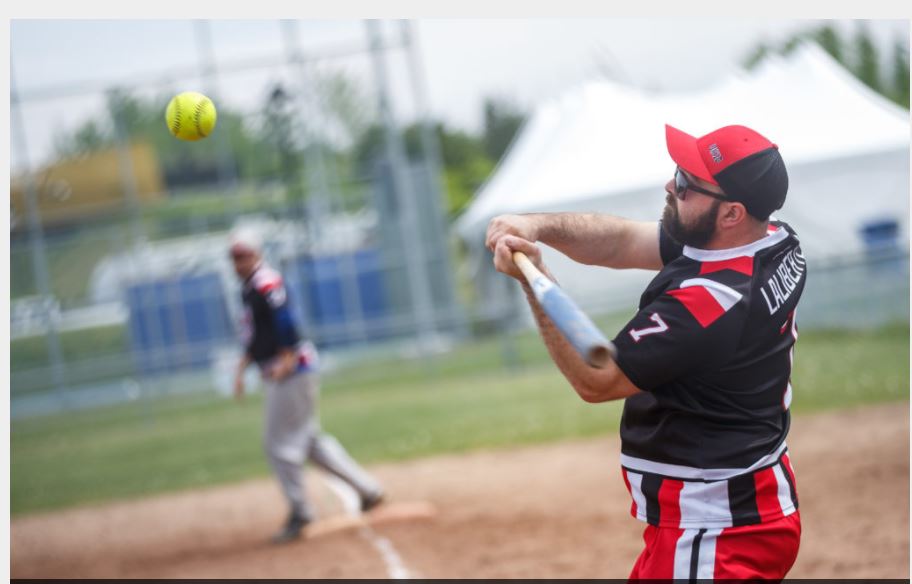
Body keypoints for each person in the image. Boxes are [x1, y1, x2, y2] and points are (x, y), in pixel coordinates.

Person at [486, 124, 804, 580]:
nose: (671, 185)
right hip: (733, 510)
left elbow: (596, 379)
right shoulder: (771, 238)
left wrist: (532, 280)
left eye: (687, 184)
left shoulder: (712, 301)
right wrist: (536, 227)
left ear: (732, 212)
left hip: (718, 531)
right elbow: (621, 242)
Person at [230, 228, 385, 544]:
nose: (238, 262)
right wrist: (243, 366)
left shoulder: (265, 281)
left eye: (243, 255)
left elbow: (284, 320)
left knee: (279, 444)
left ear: (257, 254)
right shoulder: (249, 287)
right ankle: (368, 490)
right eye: (234, 257)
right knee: (309, 440)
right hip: (285, 370)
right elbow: (256, 333)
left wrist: (286, 357)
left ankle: (301, 512)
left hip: (291, 370)